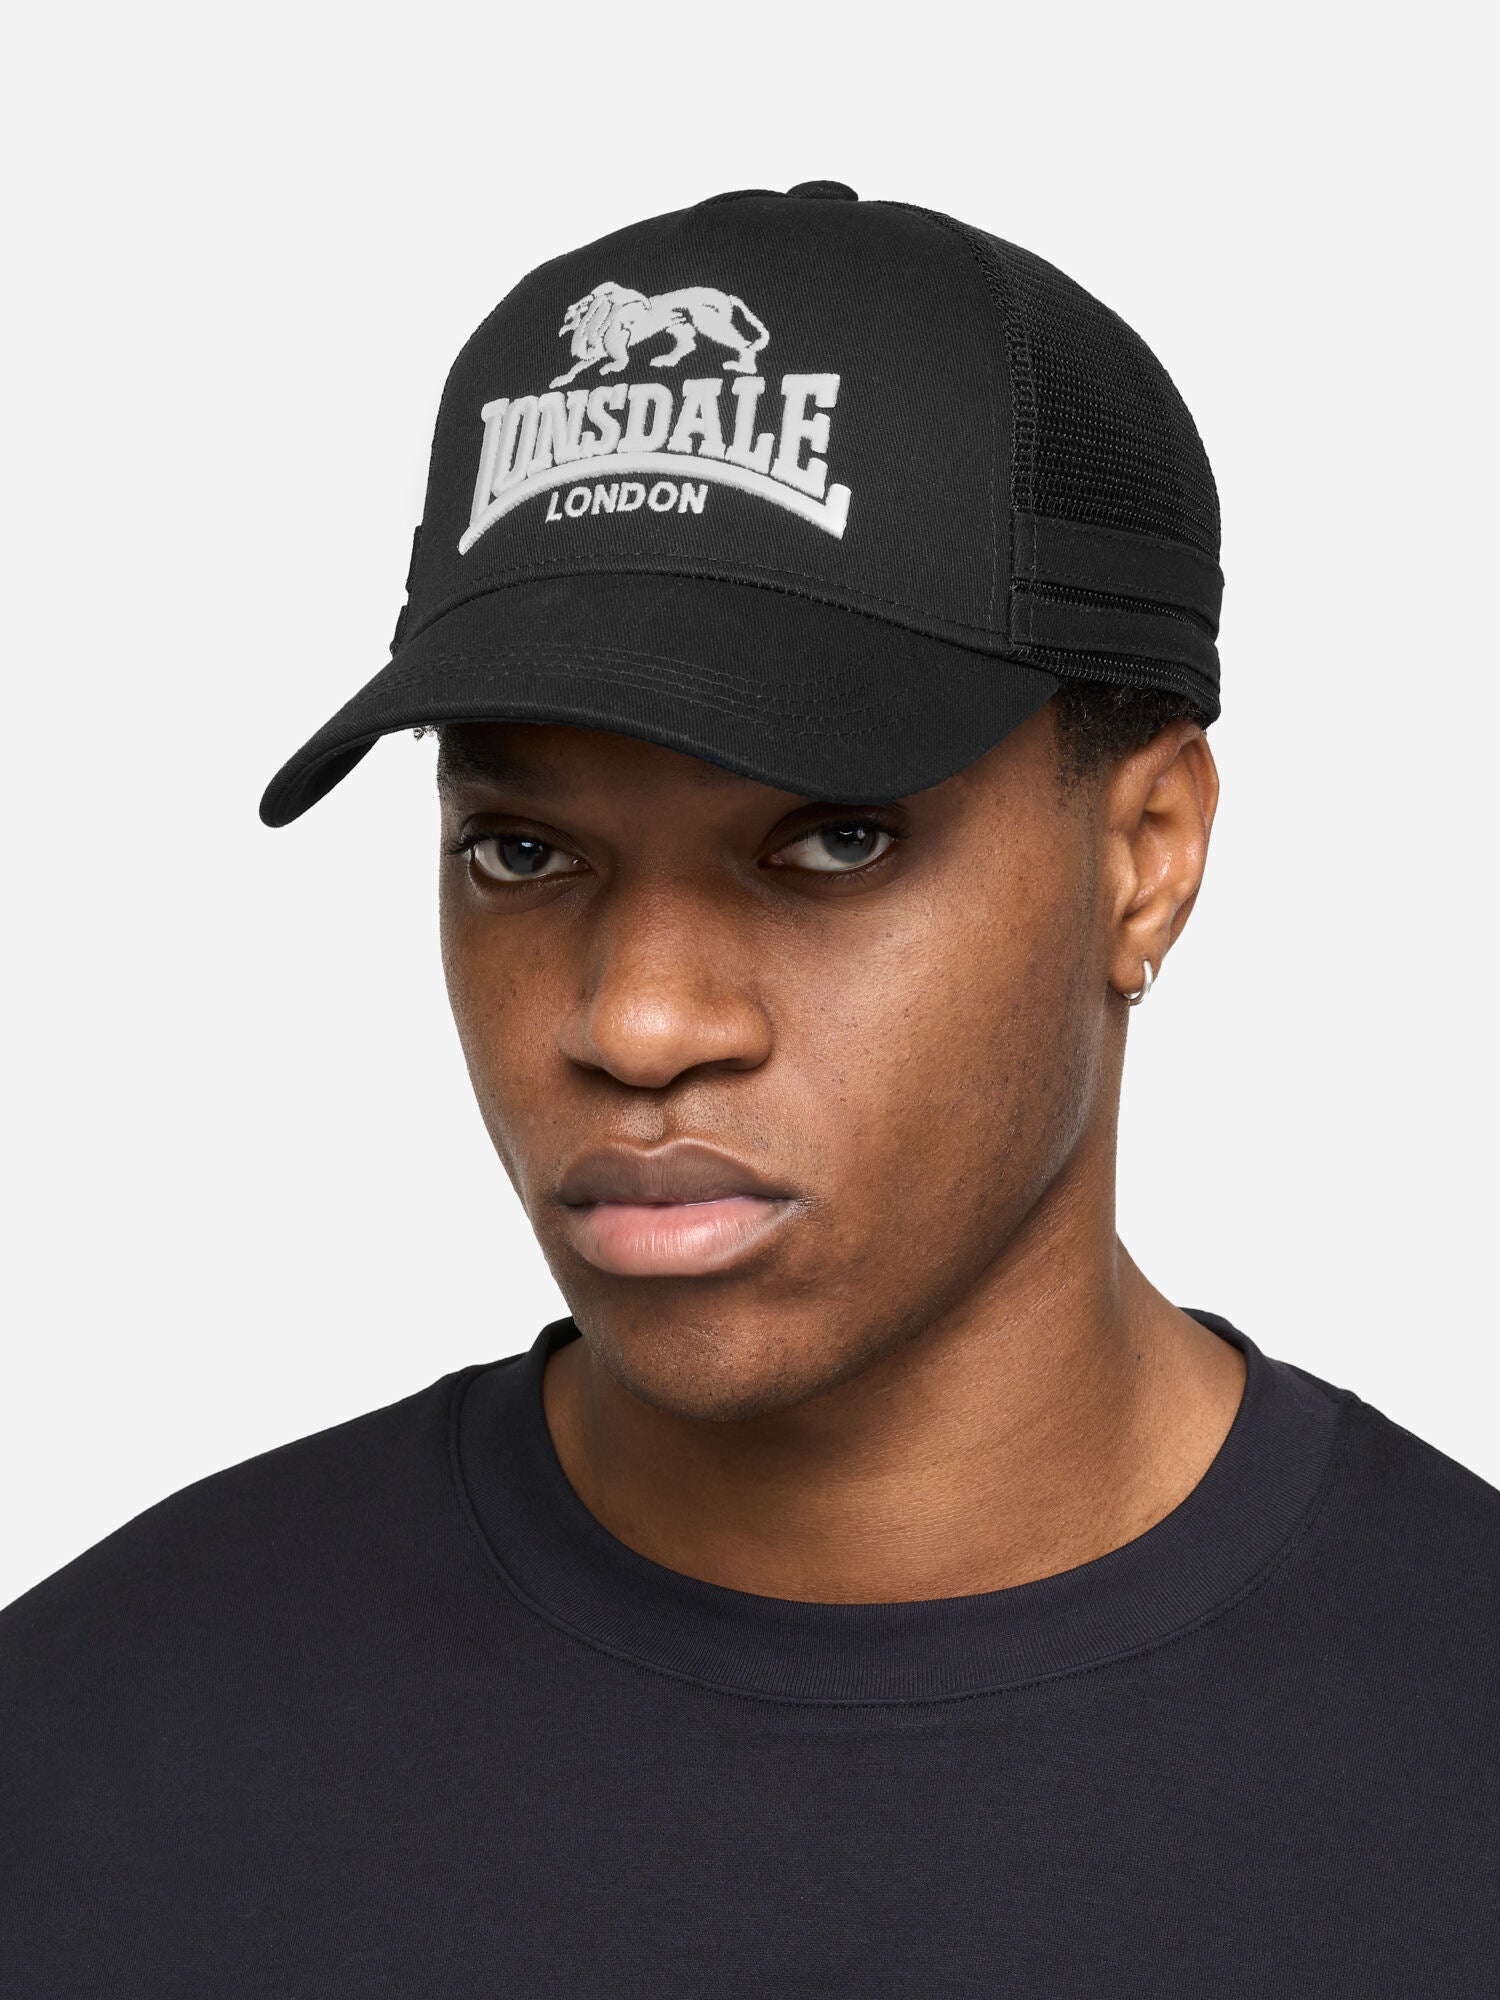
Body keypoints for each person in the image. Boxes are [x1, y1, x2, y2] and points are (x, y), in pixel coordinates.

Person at [3, 181, 1496, 1997]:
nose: (637, 1024)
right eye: (522, 851)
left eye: (834, 841)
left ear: (1146, 855)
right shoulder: (89, 1747)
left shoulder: (1454, 1750)